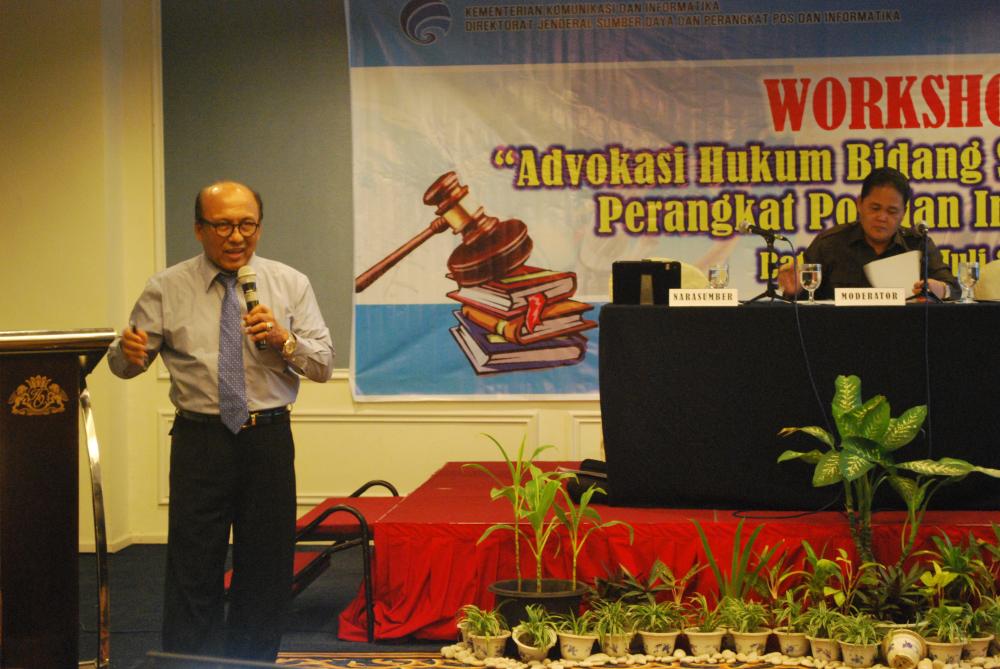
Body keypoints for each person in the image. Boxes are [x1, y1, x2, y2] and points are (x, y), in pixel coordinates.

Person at [107, 180, 334, 661]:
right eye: (224, 225)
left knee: (266, 565)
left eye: (247, 225)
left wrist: (283, 339)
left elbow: (323, 366)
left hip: (267, 440)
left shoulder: (290, 283)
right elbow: (125, 364)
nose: (237, 237)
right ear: (198, 229)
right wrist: (127, 355)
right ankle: (192, 664)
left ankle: (253, 662)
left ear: (259, 227)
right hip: (200, 440)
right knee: (193, 566)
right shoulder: (165, 288)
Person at [778, 167, 958, 300]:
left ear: (903, 213)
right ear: (859, 204)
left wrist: (941, 289)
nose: (882, 217)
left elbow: (955, 290)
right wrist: (794, 290)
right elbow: (802, 301)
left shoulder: (918, 244)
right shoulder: (829, 244)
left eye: (892, 211)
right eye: (875, 208)